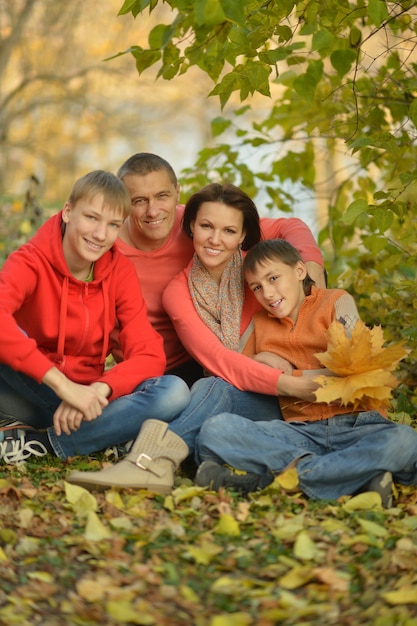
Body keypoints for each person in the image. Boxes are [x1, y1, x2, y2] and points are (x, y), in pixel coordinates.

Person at [67, 185, 324, 493]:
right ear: (190, 227)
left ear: (243, 236)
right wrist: (285, 380)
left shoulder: (260, 274)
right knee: (211, 386)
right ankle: (152, 461)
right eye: (206, 227)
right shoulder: (178, 292)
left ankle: (149, 459)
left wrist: (311, 263)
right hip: (268, 394)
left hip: (313, 389)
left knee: (210, 392)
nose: (215, 240)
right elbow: (218, 360)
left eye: (229, 230)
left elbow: (293, 228)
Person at [194, 239, 417, 507]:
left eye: (274, 278)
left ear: (300, 271)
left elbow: (353, 370)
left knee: (404, 441)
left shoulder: (337, 301)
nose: (267, 293)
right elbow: (229, 371)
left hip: (359, 425)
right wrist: (260, 357)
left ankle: (268, 483)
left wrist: (291, 379)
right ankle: (355, 479)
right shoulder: (260, 323)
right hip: (300, 433)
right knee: (215, 431)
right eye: (257, 287)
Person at [0, 170, 190, 464]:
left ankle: (40, 443)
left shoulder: (119, 271)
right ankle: (101, 436)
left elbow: (149, 353)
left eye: (113, 224)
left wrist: (96, 390)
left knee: (173, 391)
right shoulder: (30, 261)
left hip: (89, 403)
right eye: (91, 218)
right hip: (32, 390)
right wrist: (64, 388)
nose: (101, 235)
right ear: (67, 212)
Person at [113, 153, 325, 386]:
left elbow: (290, 227)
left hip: (206, 359)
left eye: (162, 196)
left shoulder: (204, 220)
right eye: (139, 200)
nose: (153, 211)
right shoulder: (107, 246)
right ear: (123, 202)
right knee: (192, 391)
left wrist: (313, 280)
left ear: (177, 192)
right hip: (153, 369)